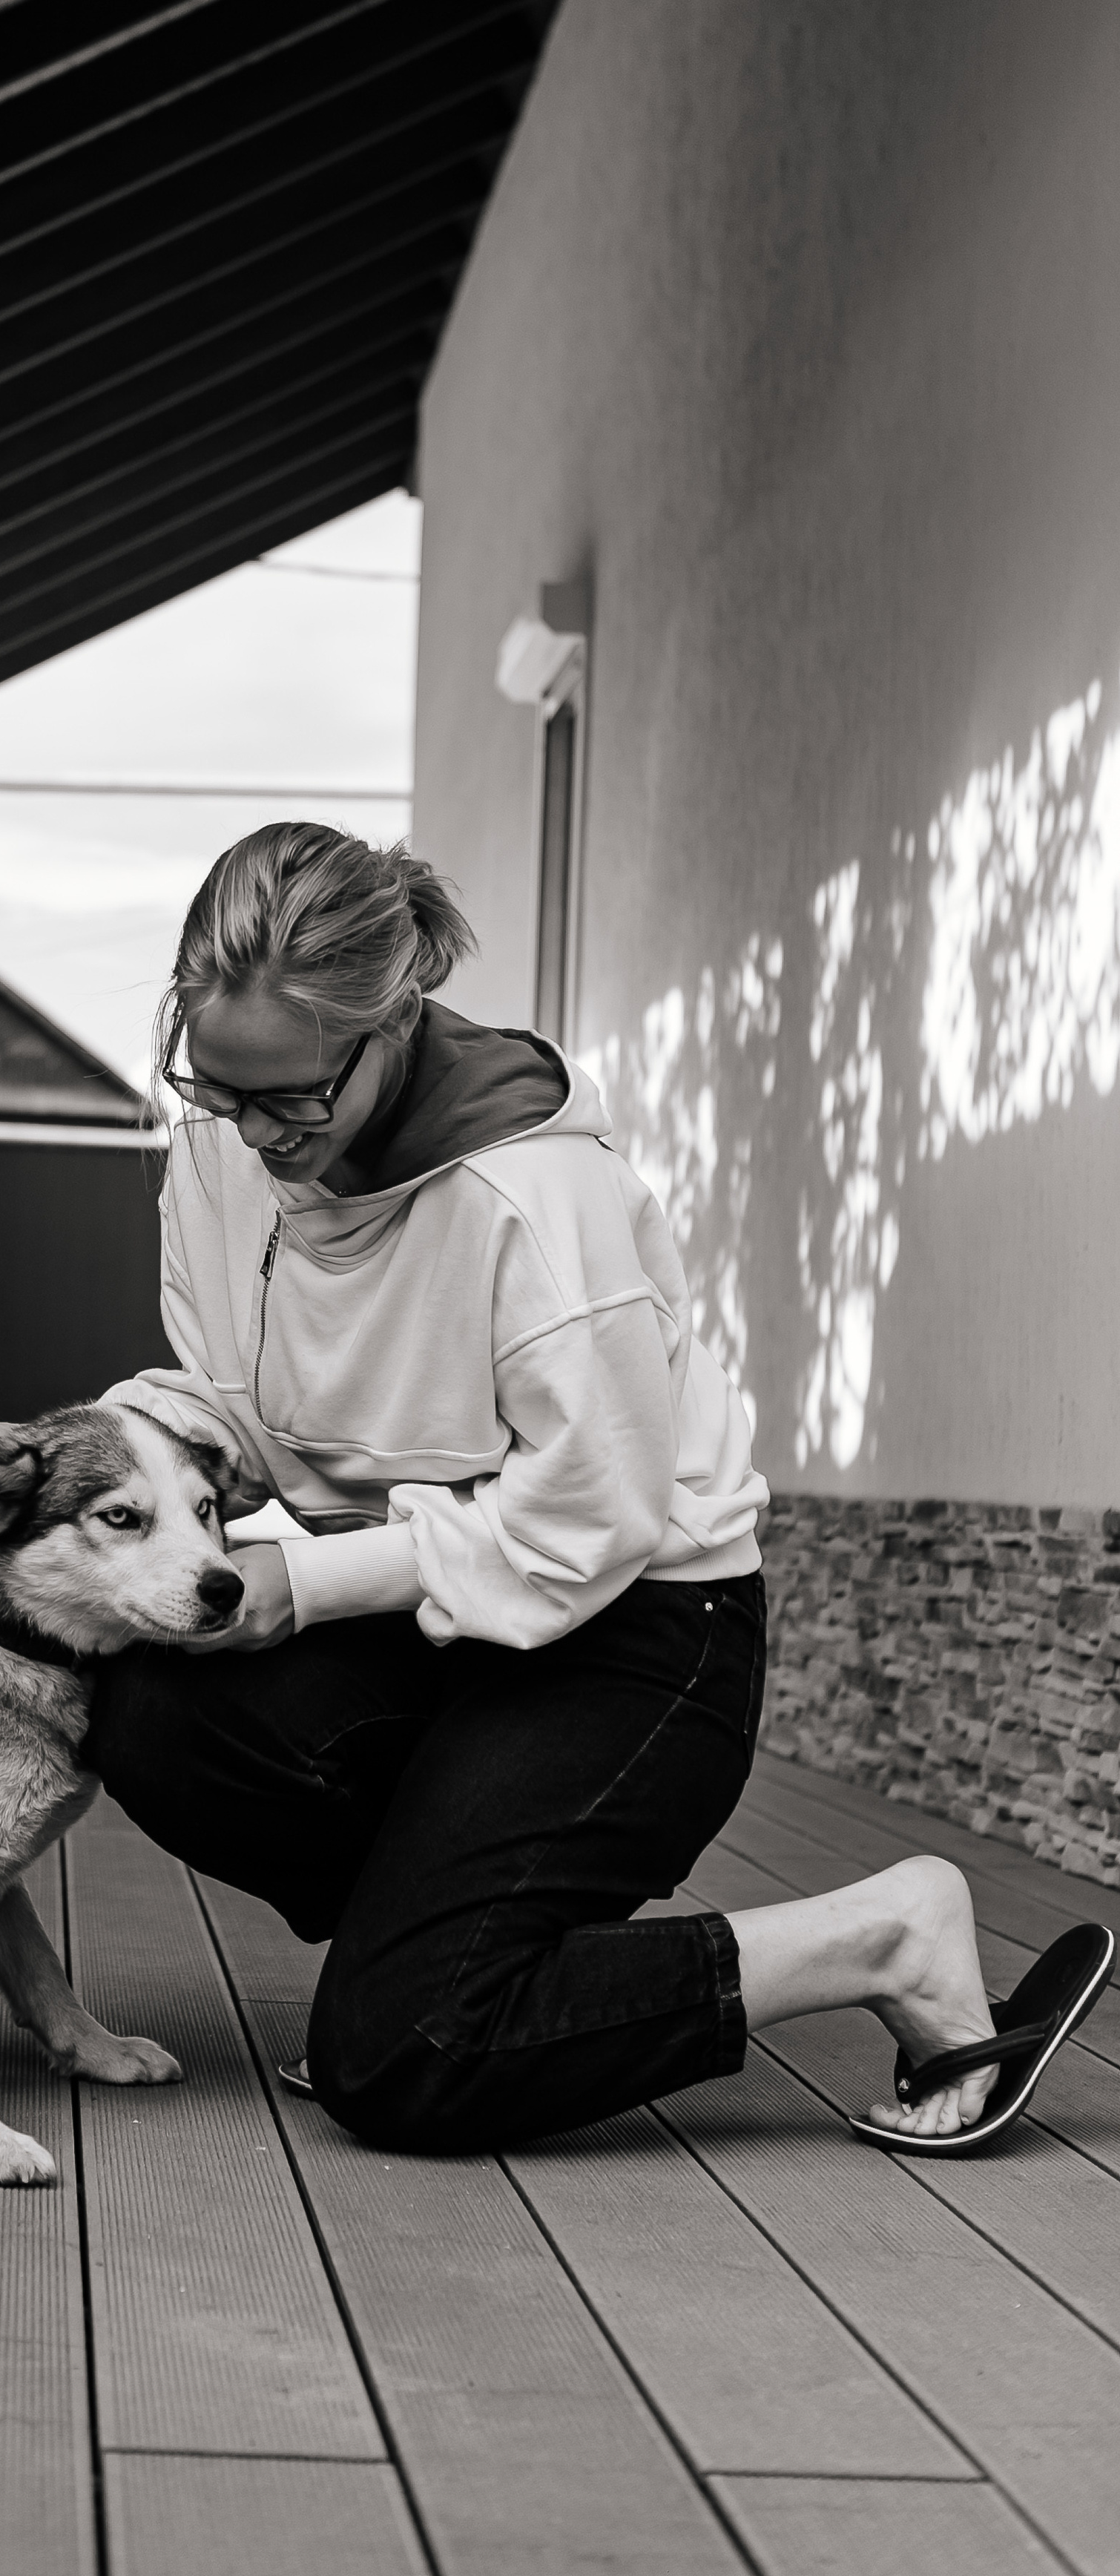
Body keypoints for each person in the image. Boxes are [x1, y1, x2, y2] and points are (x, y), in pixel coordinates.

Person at [88, 823, 1110, 2157]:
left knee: (400, 2062)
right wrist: (111, 1451)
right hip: (438, 1608)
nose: (256, 1133)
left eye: (295, 1098)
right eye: (217, 1089)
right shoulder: (224, 1154)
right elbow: (232, 1397)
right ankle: (431, 1952)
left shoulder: (532, 1193)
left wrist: (312, 1580)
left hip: (639, 1630)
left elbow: (590, 1519)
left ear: (393, 1024)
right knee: (146, 1703)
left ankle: (886, 1937)